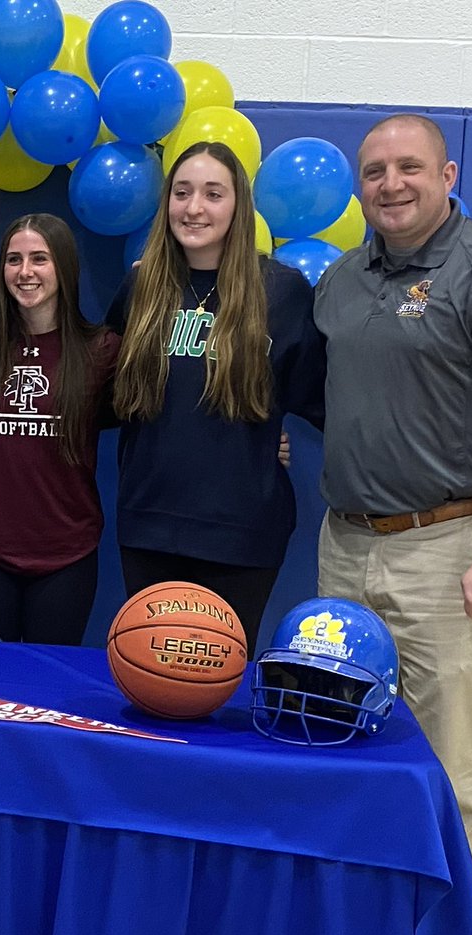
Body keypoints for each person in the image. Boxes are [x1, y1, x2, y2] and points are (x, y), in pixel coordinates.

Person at [314, 113, 472, 880]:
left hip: (449, 548)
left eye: (409, 168)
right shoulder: (342, 279)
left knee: (448, 758)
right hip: (345, 541)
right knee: (341, 737)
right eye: (375, 172)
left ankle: (447, 917)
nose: (391, 184)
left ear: (448, 176)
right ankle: (360, 901)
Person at [106, 140, 326, 656]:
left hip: (242, 530)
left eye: (213, 193)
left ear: (239, 206)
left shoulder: (282, 291)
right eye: (181, 193)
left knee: (219, 686)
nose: (194, 208)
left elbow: (313, 395)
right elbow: (103, 388)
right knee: (153, 681)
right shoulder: (142, 287)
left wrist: (272, 431)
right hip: (150, 522)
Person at [0, 214, 119, 644]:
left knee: (48, 686)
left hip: (66, 552)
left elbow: (152, 420)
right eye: (14, 260)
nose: (25, 272)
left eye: (40, 259)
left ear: (64, 267)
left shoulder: (102, 349)